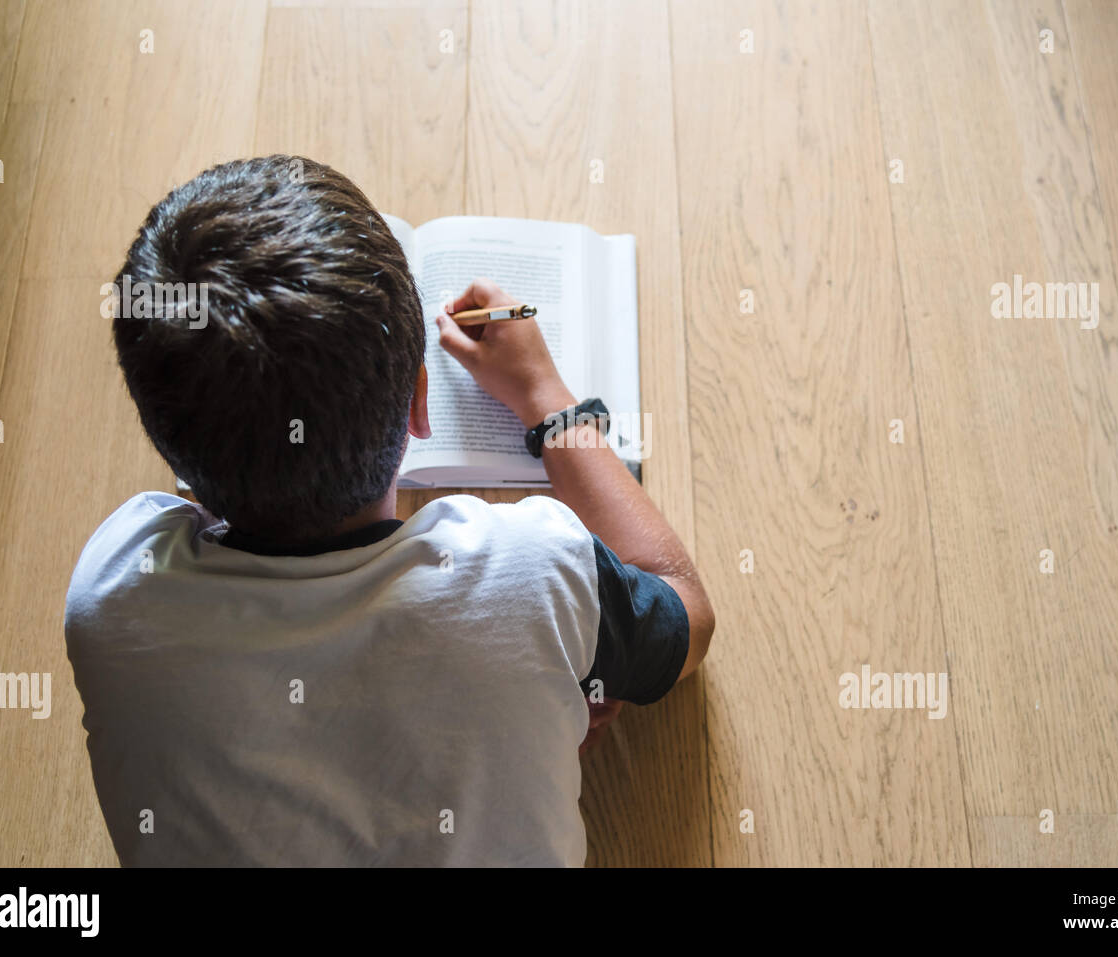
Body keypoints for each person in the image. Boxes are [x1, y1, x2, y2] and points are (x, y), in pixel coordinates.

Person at [64, 155, 714, 866]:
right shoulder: (535, 575)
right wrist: (546, 397)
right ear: (420, 400)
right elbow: (687, 610)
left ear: (168, 448)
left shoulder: (111, 593)